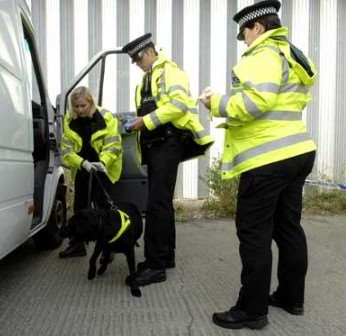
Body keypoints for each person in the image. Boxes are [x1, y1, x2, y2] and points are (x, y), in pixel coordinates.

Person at [199, 0, 317, 330]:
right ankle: (291, 297)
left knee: (254, 233)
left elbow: (255, 102)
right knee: (288, 228)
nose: (245, 40)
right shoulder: (291, 54)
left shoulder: (262, 55)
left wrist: (216, 102)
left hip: (267, 159)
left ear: (258, 27)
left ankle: (252, 310)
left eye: (245, 33)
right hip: (296, 150)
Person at [122, 34, 213, 287]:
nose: (136, 63)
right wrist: (135, 122)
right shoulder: (146, 80)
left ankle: (155, 265)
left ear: (149, 52)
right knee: (161, 203)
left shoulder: (171, 72)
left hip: (167, 144)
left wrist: (145, 122)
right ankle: (165, 256)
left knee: (156, 205)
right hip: (154, 146)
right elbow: (149, 110)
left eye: (138, 58)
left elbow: (179, 105)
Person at [59, 86, 122, 258]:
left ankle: (108, 248)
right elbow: (66, 151)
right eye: (76, 106)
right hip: (83, 167)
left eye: (83, 106)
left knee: (104, 208)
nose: (79, 110)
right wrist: (82, 163)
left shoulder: (106, 118)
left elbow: (114, 145)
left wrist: (103, 162)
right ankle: (77, 245)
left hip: (104, 168)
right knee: (80, 208)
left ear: (91, 103)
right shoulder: (69, 120)